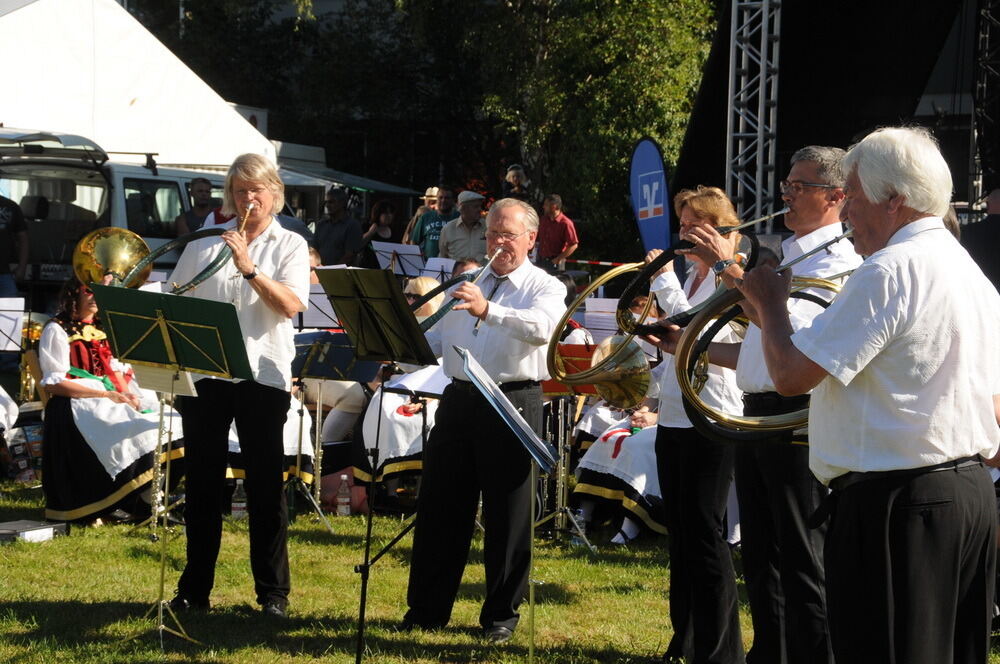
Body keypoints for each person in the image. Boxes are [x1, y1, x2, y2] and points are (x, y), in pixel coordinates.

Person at [738, 126, 1000, 664]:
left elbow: (789, 375)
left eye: (853, 197)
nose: (847, 211)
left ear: (894, 199)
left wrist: (770, 306)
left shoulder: (890, 269)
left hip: (898, 504)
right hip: (964, 493)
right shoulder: (968, 269)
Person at [672, 147, 861, 664]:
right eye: (787, 186)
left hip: (796, 419)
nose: (786, 196)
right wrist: (687, 346)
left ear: (836, 196)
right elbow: (759, 350)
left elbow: (794, 340)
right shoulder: (792, 255)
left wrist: (730, 271)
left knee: (802, 560)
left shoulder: (841, 261)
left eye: (799, 187)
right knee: (761, 558)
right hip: (759, 411)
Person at [402, 198, 565, 643]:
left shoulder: (545, 286)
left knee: (508, 516)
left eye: (507, 235)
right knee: (440, 506)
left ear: (531, 239)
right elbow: (433, 338)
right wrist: (398, 337)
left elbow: (542, 329)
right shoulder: (470, 279)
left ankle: (500, 618)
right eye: (492, 233)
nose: (497, 242)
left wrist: (487, 310)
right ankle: (427, 609)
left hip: (513, 400)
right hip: (459, 400)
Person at [167, 153, 310, 619]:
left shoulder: (289, 244)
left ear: (275, 195)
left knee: (266, 488)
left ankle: (273, 594)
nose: (250, 199)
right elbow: (175, 300)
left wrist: (250, 267)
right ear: (230, 196)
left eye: (258, 191)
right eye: (241, 191)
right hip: (208, 375)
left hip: (262, 376)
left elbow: (290, 305)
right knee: (203, 486)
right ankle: (194, 590)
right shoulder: (204, 244)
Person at [643, 186, 746, 664]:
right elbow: (679, 342)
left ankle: (720, 649)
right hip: (676, 414)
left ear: (714, 229)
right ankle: (683, 638)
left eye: (690, 226)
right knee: (681, 532)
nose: (682, 234)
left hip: (712, 415)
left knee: (705, 532)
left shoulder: (732, 276)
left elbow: (705, 333)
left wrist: (663, 281)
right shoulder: (694, 276)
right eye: (680, 225)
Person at [38, 277, 183, 523]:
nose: (95, 297)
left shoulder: (103, 327)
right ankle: (146, 502)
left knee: (172, 424)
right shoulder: (57, 328)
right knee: (137, 432)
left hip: (109, 397)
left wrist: (127, 396)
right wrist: (106, 395)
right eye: (89, 291)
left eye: (99, 293)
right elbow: (54, 382)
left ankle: (146, 499)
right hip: (78, 402)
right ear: (75, 295)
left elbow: (114, 371)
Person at [314, 187, 362, 266]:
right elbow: (314, 250)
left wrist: (331, 271)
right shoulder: (321, 225)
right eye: (326, 202)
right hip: (320, 272)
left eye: (331, 202)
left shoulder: (352, 225)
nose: (327, 206)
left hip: (341, 274)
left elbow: (349, 256)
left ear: (342, 203)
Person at [438, 190, 487, 262]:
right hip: (456, 272)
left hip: (483, 272)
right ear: (463, 208)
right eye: (476, 206)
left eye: (480, 206)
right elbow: (442, 257)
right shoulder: (448, 229)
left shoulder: (488, 227)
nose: (480, 209)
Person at [409, 188, 459, 258]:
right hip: (428, 264)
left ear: (453, 200)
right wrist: (417, 260)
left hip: (452, 263)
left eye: (447, 198)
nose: (443, 200)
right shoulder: (426, 217)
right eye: (440, 197)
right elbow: (414, 241)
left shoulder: (459, 217)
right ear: (437, 199)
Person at [536, 194, 579, 273]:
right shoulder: (543, 220)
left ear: (554, 206)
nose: (543, 207)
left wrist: (558, 259)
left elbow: (573, 245)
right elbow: (537, 237)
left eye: (546, 205)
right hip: (540, 261)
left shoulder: (566, 223)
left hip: (554, 263)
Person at [359, 200, 400, 268]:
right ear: (378, 214)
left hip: (387, 268)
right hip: (368, 267)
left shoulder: (394, 231)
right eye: (386, 213)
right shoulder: (367, 226)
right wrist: (370, 232)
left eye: (391, 213)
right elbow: (358, 245)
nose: (389, 216)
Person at [0, 194, 28, 296]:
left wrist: (22, 267)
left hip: (4, 273)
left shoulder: (11, 206)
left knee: (10, 310)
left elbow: (23, 238)